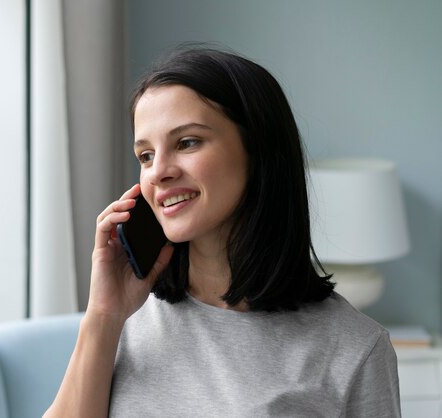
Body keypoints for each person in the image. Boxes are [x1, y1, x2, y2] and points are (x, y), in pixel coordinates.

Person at [44, 47, 401, 417]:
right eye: (146, 155)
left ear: (258, 151)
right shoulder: (123, 319)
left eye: (187, 142)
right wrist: (103, 316)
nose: (158, 172)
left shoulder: (354, 349)